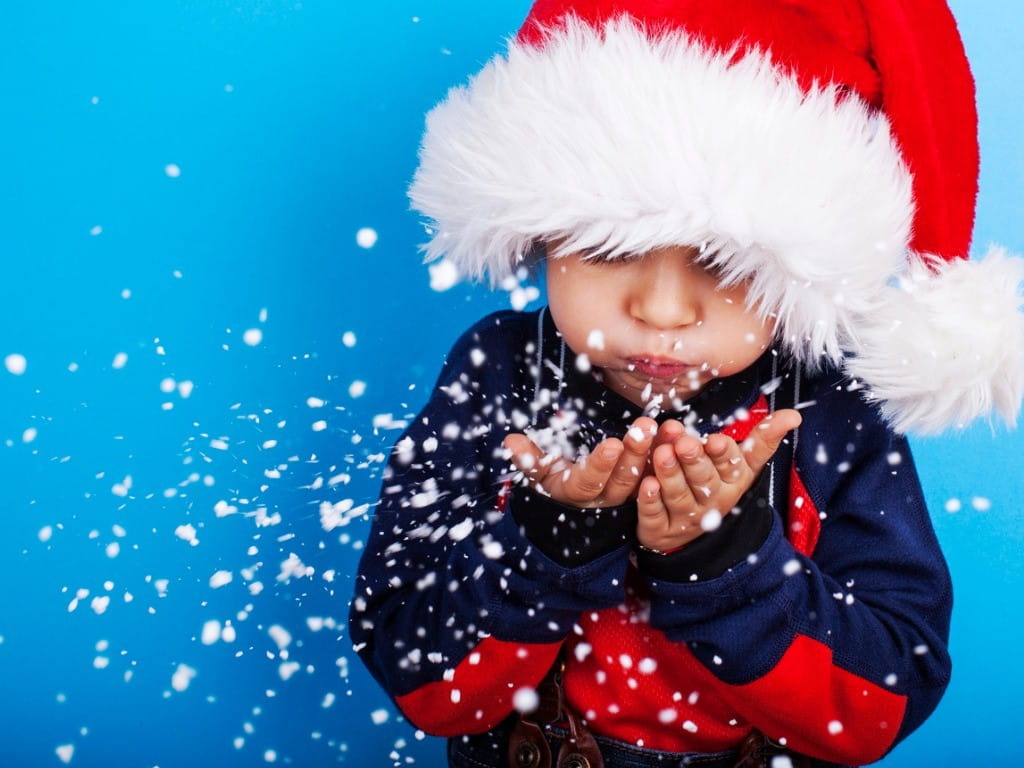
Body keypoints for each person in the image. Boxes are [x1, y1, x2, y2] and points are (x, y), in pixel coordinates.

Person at [350, 2, 1024, 767]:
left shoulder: (831, 407)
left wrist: (729, 565)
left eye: (726, 261)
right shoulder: (499, 375)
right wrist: (550, 541)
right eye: (609, 245)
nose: (661, 310)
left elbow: (879, 708)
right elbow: (424, 686)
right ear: (538, 235)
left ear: (807, 271)